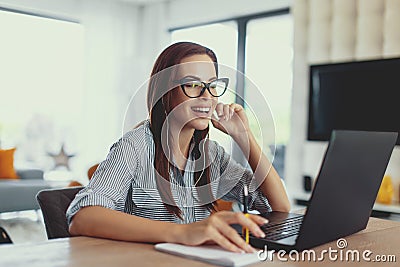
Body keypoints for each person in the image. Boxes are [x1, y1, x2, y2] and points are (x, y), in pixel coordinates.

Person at [67, 41, 290, 253]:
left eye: (212, 86)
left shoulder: (212, 154)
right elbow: (82, 216)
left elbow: (278, 206)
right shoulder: (133, 147)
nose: (206, 96)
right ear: (166, 92)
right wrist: (183, 232)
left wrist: (244, 136)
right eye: (192, 85)